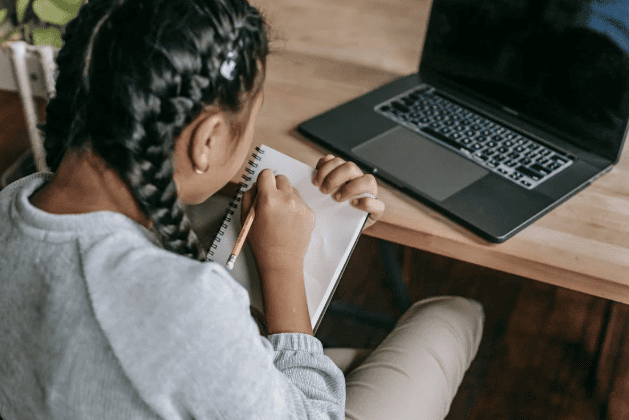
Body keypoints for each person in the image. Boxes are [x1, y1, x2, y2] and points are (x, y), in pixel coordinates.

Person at [0, 0, 484, 418]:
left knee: (354, 361)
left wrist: (325, 210)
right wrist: (281, 268)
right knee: (454, 315)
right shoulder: (185, 307)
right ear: (207, 139)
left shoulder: (15, 200)